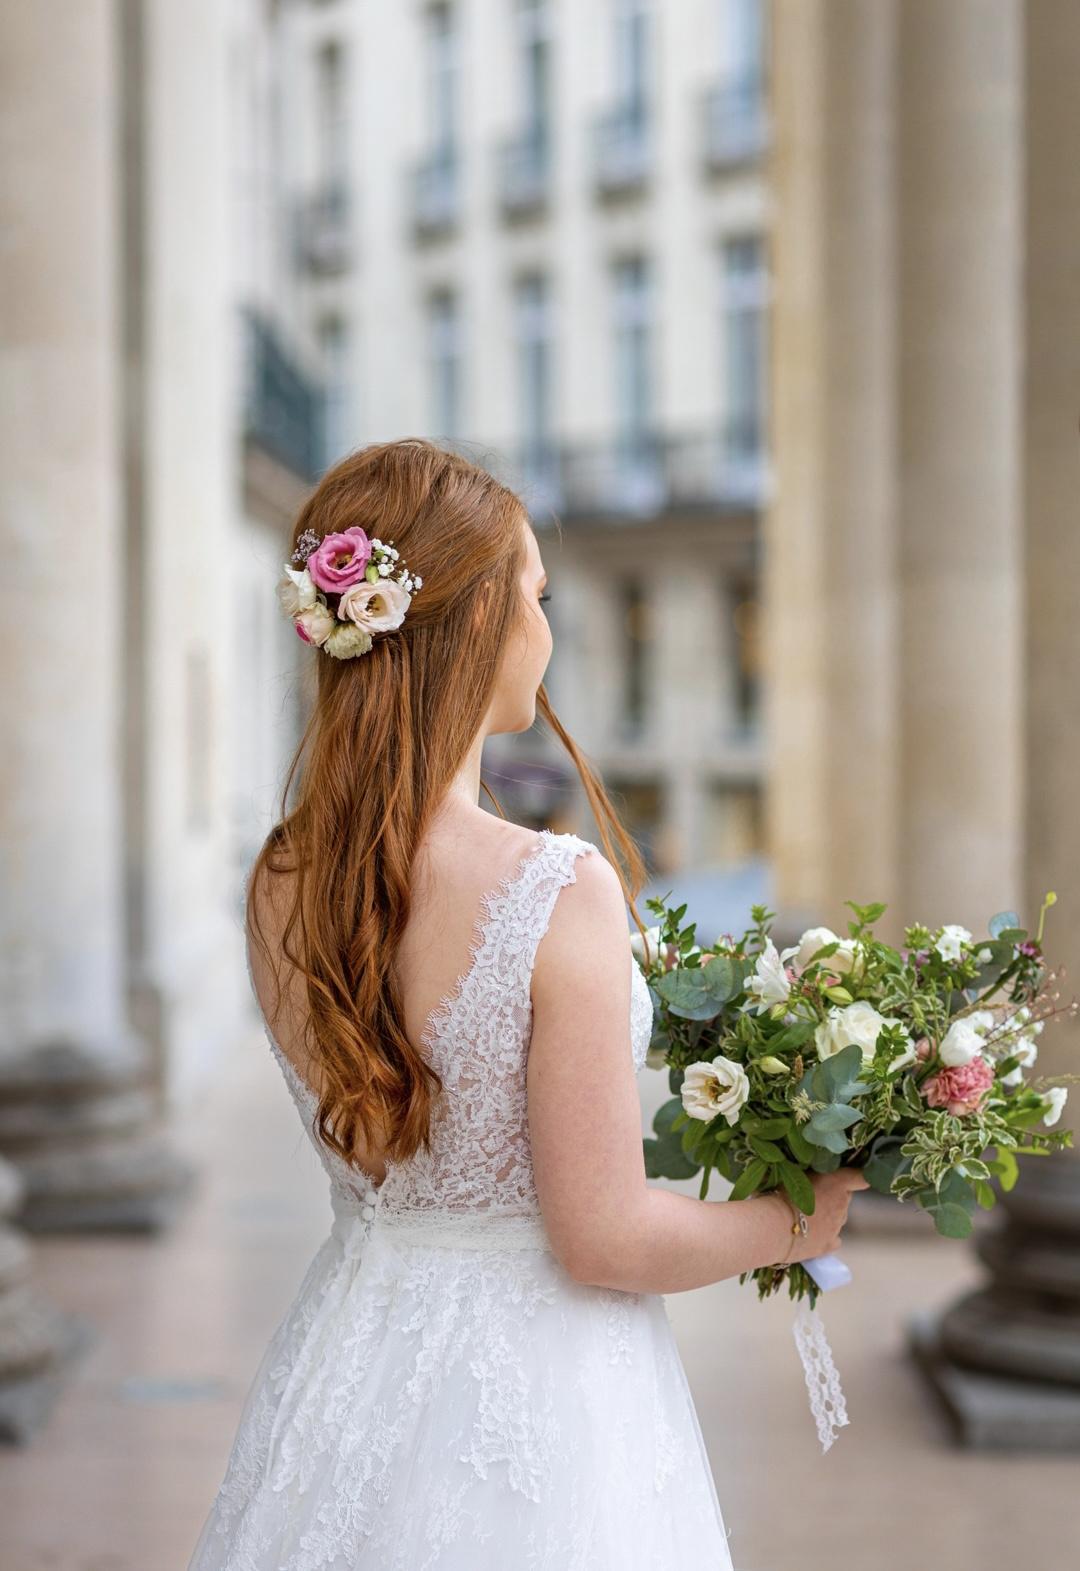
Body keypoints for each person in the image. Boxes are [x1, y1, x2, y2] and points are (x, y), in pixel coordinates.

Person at [187, 438, 867, 1569]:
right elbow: (603, 1233)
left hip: (347, 1358)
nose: (548, 630)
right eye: (537, 595)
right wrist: (801, 1220)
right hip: (544, 1395)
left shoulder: (278, 879)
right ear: (473, 620)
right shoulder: (557, 889)